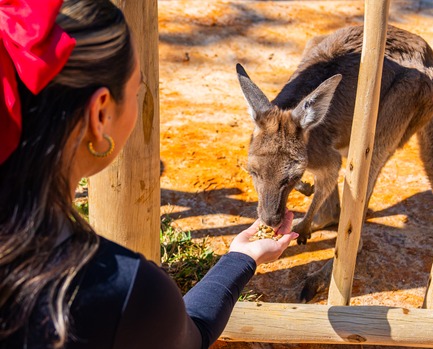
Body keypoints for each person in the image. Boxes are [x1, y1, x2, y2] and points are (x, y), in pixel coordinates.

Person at [0, 1, 299, 348]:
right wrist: (241, 260)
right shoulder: (124, 290)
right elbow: (192, 334)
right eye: (137, 89)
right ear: (99, 116)